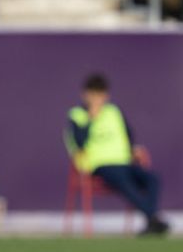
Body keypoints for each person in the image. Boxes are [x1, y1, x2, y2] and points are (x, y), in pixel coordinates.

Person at [66, 73, 169, 235]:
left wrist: (133, 148)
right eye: (93, 95)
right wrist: (91, 120)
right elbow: (79, 143)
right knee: (124, 181)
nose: (97, 100)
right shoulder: (77, 116)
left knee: (152, 179)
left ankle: (152, 221)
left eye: (100, 96)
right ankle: (153, 218)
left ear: (106, 96)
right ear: (85, 95)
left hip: (123, 163)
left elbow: (128, 134)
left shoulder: (113, 112)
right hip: (99, 165)